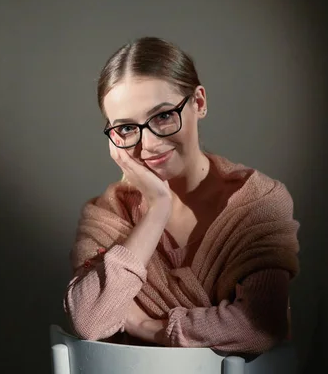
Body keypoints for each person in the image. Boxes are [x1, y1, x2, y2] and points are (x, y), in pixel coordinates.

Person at [63, 36, 300, 355]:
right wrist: (157, 209)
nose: (147, 145)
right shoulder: (107, 214)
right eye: (126, 129)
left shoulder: (259, 202)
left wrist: (148, 327)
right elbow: (90, 320)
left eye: (162, 116)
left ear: (199, 103)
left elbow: (259, 326)